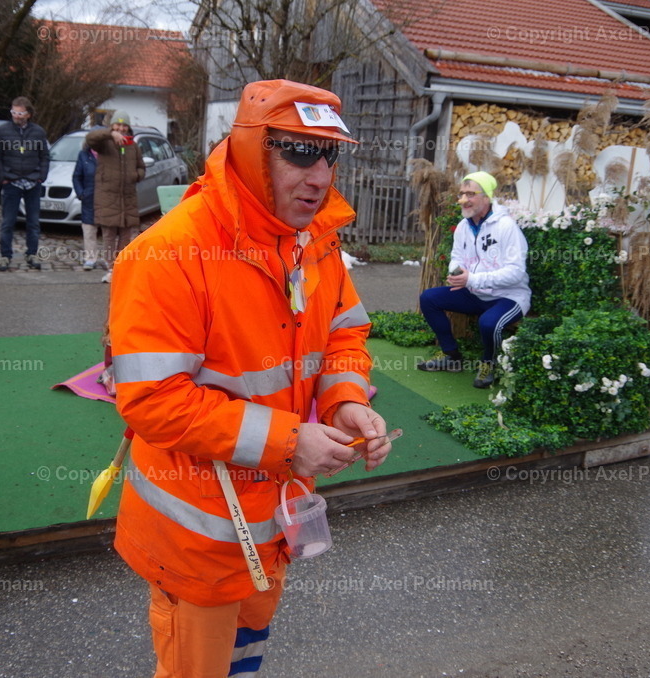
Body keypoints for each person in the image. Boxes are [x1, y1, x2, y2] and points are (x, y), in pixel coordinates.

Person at [107, 79, 392, 677]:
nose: (320, 177)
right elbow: (153, 401)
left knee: (245, 659)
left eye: (330, 154)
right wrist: (290, 441)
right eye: (298, 151)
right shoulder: (170, 253)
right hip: (198, 539)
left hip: (272, 520)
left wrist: (341, 399)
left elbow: (345, 332)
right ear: (249, 150)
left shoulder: (312, 242)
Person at [417, 171, 530, 389]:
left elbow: (516, 272)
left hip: (509, 296)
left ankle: (489, 362)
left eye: (471, 194)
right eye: (462, 194)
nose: (464, 199)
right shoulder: (463, 226)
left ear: (486, 197)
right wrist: (456, 271)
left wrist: (472, 279)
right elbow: (456, 256)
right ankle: (452, 356)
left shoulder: (507, 227)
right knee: (429, 298)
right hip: (474, 291)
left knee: (488, 323)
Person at [85, 114, 145, 283]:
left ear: (128, 127)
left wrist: (136, 175)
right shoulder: (104, 144)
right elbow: (90, 138)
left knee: (126, 237)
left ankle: (121, 267)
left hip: (128, 199)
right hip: (107, 198)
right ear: (112, 126)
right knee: (109, 236)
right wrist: (110, 134)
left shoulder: (133, 146)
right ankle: (111, 268)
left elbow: (142, 167)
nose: (121, 129)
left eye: (124, 126)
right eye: (117, 126)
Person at [0, 96, 49, 272]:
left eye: (20, 113)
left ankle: (32, 254)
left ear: (28, 114)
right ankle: (5, 256)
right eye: (14, 112)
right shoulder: (2, 131)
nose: (16, 116)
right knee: (8, 222)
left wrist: (41, 176)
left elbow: (44, 156)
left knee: (33, 222)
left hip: (33, 182)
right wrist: (3, 177)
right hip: (11, 182)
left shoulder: (38, 132)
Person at [71, 140, 98, 270]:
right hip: (89, 198)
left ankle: (112, 260)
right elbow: (77, 176)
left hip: (107, 198)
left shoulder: (109, 154)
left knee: (109, 231)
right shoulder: (83, 155)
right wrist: (81, 193)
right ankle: (90, 258)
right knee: (89, 229)